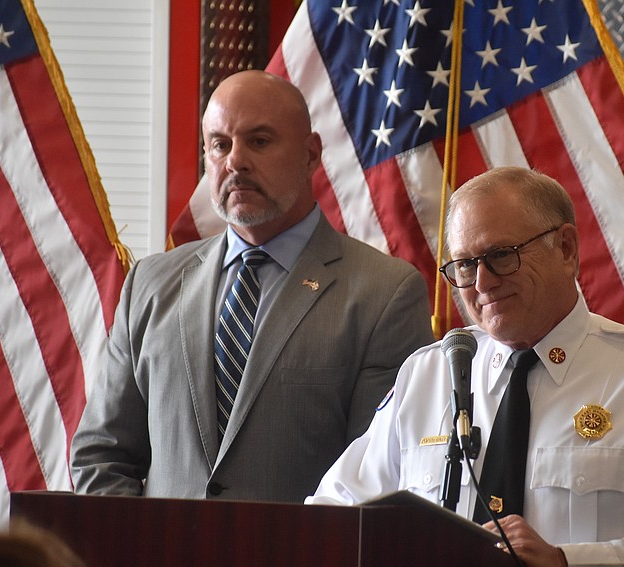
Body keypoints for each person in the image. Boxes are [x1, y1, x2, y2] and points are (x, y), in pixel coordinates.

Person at [307, 167, 624, 566]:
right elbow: (334, 513)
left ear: (566, 248)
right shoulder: (430, 374)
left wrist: (565, 562)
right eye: (464, 265)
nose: (482, 283)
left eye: (501, 255)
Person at [70, 70, 434, 503]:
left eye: (259, 141)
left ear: (311, 154)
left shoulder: (384, 294)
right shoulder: (149, 285)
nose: (235, 162)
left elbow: (383, 479)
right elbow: (101, 457)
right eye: (220, 145)